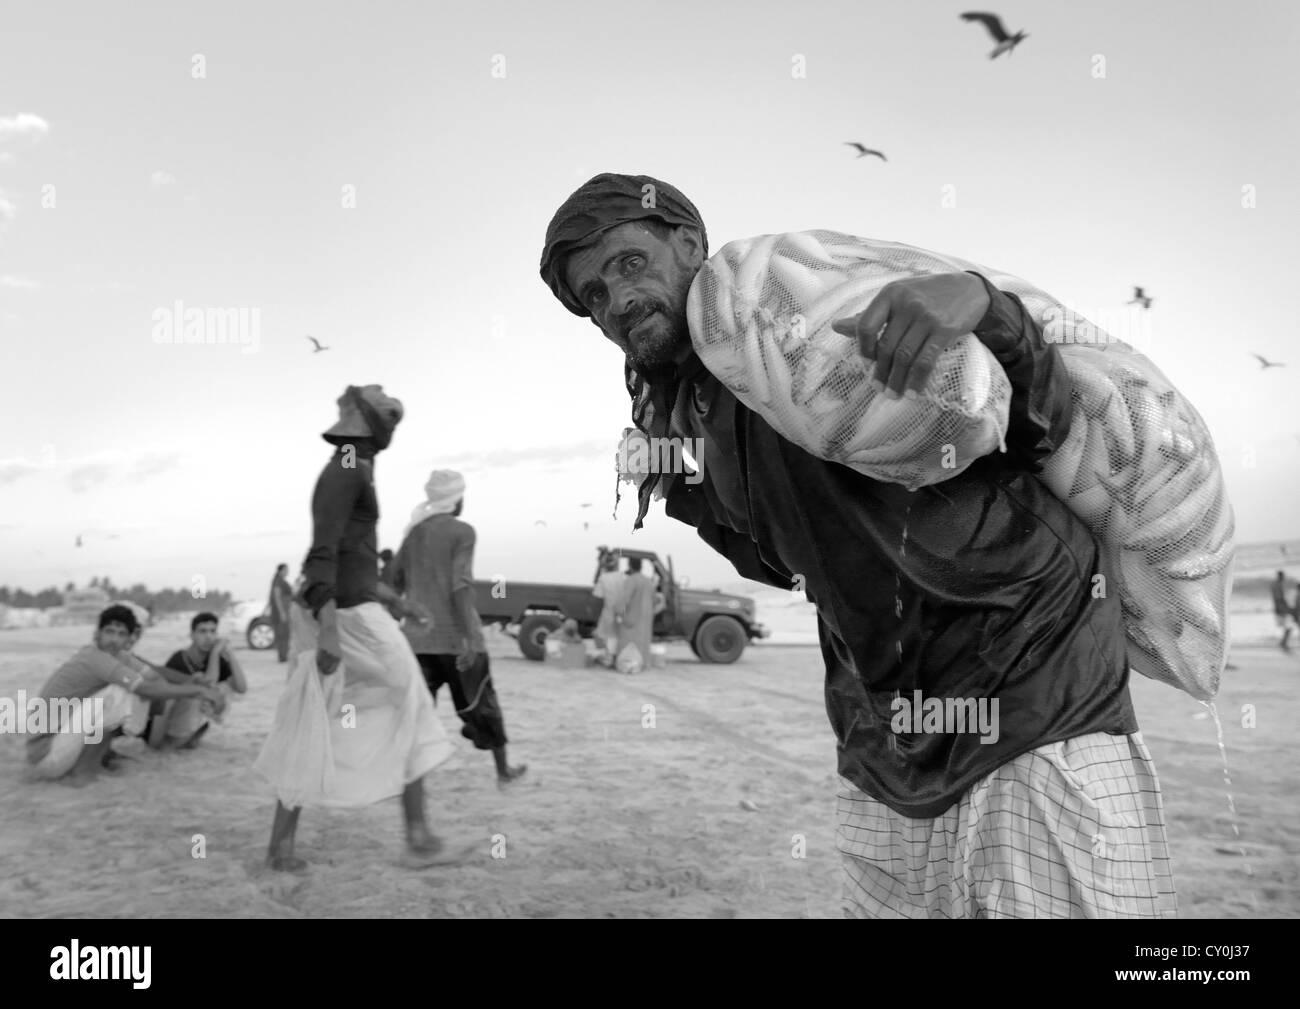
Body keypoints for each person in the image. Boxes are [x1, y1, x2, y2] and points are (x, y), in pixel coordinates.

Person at [540, 173, 1176, 918]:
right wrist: (682, 492)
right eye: (592, 296)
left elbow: (1043, 426)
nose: (615, 302)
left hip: (1035, 701)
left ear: (687, 244)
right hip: (883, 744)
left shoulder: (803, 316)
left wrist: (983, 307)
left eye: (628, 264)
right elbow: (784, 562)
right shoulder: (695, 411)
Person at [261, 384, 463, 871]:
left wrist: (394, 599)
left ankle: (281, 848)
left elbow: (353, 557)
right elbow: (321, 555)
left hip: (349, 610)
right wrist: (329, 626)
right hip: (345, 617)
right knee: (408, 704)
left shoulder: (353, 467)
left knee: (317, 715)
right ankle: (417, 839)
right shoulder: (348, 467)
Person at [388, 469, 527, 787]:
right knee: (483, 702)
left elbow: (393, 584)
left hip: (417, 642)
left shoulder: (412, 534)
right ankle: (502, 771)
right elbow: (460, 585)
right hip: (455, 640)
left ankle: (413, 785)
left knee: (418, 715)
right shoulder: (462, 532)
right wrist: (471, 637)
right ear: (456, 499)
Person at [25, 605, 225, 784]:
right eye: (109, 632)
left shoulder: (121, 657)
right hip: (46, 754)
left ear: (129, 638)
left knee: (131, 691)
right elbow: (144, 688)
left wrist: (191, 685)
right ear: (97, 634)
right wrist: (197, 691)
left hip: (62, 744)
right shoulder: (95, 658)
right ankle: (83, 772)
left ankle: (98, 758)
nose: (114, 639)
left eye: (121, 634)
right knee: (121, 693)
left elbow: (154, 677)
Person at [146, 612, 248, 749]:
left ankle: (189, 736)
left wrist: (230, 654)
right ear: (192, 635)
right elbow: (208, 683)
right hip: (169, 723)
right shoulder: (180, 658)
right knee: (199, 690)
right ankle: (174, 741)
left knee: (224, 688)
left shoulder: (215, 659)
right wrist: (215, 652)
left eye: (212, 631)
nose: (208, 636)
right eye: (202, 631)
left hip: (190, 720)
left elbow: (241, 687)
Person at [613, 556, 656, 674]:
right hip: (646, 618)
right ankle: (643, 664)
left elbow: (624, 599)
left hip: (632, 617)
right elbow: (655, 599)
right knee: (644, 641)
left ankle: (627, 665)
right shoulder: (648, 581)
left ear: (630, 566)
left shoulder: (631, 580)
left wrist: (618, 612)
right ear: (641, 567)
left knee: (628, 642)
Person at [591, 551, 624, 663]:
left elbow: (598, 595)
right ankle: (615, 657)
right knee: (616, 635)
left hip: (608, 611)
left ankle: (609, 658)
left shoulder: (603, 578)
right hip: (621, 612)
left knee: (607, 635)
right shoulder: (622, 576)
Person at [268, 563, 293, 663]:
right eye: (286, 570)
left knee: (284, 634)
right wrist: (282, 612)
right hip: (281, 613)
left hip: (285, 610)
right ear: (280, 570)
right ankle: (282, 656)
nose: (288, 572)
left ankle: (284, 655)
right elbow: (277, 596)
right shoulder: (278, 581)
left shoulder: (281, 581)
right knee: (282, 634)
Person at [1271, 571, 1294, 651]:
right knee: (1288, 626)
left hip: (1280, 608)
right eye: (1283, 576)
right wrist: (1287, 607)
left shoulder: (1276, 585)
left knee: (1288, 626)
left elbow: (1276, 598)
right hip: (1281, 609)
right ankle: (1283, 643)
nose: (1284, 578)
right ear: (1280, 576)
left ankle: (1283, 642)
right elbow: (1278, 598)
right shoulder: (1278, 585)